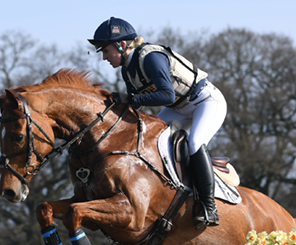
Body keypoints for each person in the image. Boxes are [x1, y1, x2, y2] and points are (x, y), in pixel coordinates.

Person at [88, 17, 227, 229]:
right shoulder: (127, 69)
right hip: (178, 108)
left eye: (106, 51)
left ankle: (209, 207)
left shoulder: (150, 58)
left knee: (195, 142)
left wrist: (130, 99)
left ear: (122, 44)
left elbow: (166, 95)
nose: (104, 57)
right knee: (147, 138)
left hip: (205, 102)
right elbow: (137, 105)